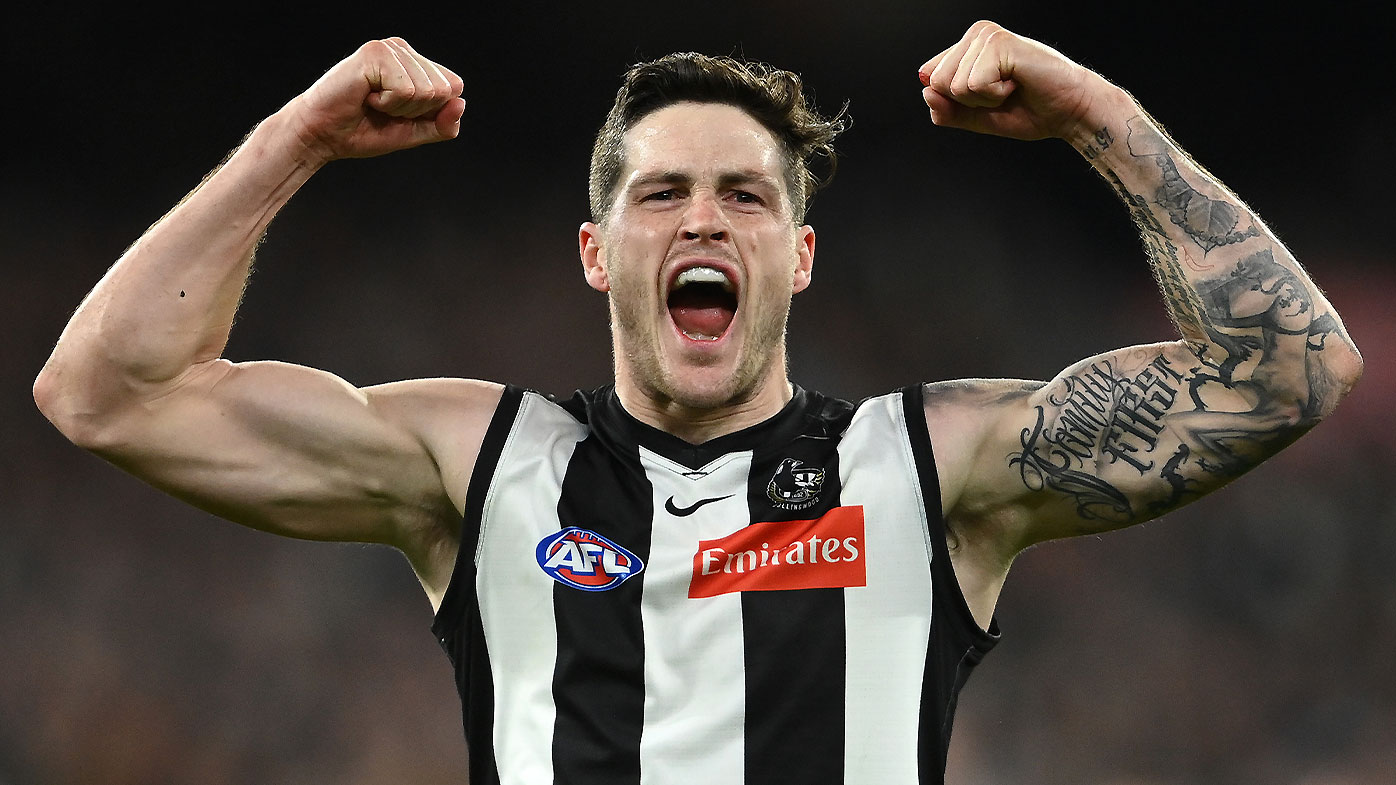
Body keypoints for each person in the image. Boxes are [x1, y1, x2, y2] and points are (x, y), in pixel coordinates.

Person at [33, 20, 1362, 785]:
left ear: (799, 255)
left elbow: (1294, 368)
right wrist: (295, 140)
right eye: (659, 192)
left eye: (747, 194)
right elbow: (105, 390)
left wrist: (1093, 107)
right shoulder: (481, 461)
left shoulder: (925, 465)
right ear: (597, 253)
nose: (703, 217)